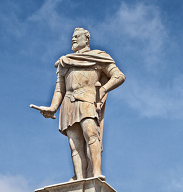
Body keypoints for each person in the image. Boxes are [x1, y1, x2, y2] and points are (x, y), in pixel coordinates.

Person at [31, 27, 125, 180]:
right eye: (72, 37)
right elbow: (59, 89)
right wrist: (53, 108)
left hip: (88, 100)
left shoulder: (99, 57)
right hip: (69, 103)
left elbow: (118, 76)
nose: (73, 39)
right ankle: (79, 178)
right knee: (74, 144)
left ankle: (96, 173)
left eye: (76, 37)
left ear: (86, 39)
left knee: (91, 134)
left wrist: (103, 90)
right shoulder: (64, 61)